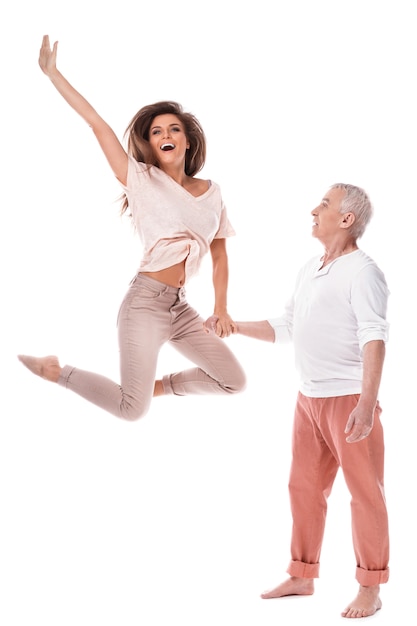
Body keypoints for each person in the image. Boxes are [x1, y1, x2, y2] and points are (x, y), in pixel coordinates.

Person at [18, 35, 246, 419]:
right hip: (144, 304)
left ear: (187, 141)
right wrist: (54, 75)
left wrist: (221, 307)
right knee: (130, 410)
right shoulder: (140, 179)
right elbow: (98, 125)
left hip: (180, 307)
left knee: (232, 380)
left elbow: (220, 253)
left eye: (173, 129)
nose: (165, 136)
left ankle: (152, 389)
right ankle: (57, 371)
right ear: (150, 144)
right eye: (156, 132)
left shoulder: (212, 192)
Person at [207, 184, 390, 619]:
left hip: (348, 401)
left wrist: (367, 404)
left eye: (324, 204)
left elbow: (374, 337)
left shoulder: (364, 272)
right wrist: (232, 326)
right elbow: (287, 325)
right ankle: (303, 574)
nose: (314, 209)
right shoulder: (311, 267)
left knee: (365, 495)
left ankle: (370, 586)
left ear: (347, 219)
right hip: (307, 398)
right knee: (304, 488)